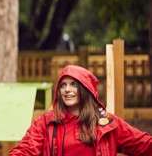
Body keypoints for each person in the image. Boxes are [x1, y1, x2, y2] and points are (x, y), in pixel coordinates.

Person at [10, 65, 152, 156]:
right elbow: (25, 150)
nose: (67, 90)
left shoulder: (107, 124)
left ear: (85, 89)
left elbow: (143, 144)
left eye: (73, 85)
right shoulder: (46, 122)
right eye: (63, 85)